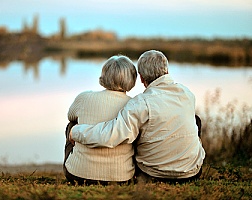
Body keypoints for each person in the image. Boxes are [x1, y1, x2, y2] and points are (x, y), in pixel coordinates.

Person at [70, 50, 206, 184]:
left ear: (141, 78)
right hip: (192, 172)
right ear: (167, 72)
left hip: (153, 173)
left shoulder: (141, 103)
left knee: (135, 130)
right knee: (195, 120)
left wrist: (76, 131)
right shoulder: (187, 94)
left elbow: (112, 135)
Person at [64, 55, 138, 185]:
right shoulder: (134, 105)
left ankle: (80, 162)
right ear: (132, 79)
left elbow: (70, 116)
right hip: (121, 178)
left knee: (72, 125)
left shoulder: (84, 97)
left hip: (78, 175)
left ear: (104, 75)